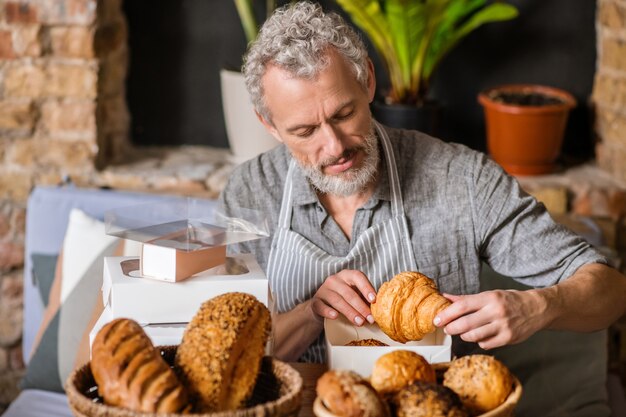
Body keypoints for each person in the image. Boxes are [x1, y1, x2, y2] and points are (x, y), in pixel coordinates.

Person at [219, 1, 626, 414]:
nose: (335, 146)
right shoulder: (250, 194)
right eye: (304, 131)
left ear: (368, 82)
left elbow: (610, 291)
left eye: (345, 114)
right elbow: (231, 356)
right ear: (268, 123)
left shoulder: (461, 179)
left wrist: (540, 306)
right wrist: (311, 312)